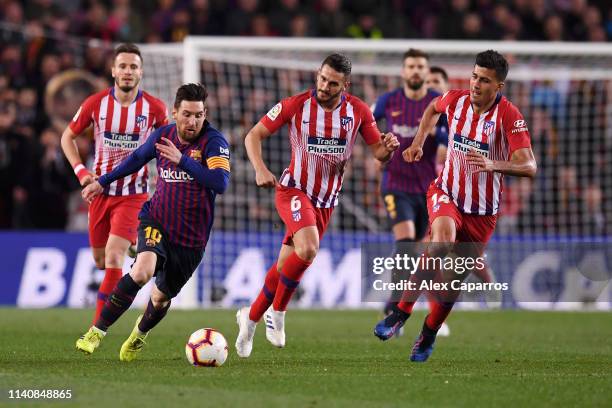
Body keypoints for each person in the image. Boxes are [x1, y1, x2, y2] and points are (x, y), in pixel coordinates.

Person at [374, 50, 537, 362]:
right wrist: (419, 141)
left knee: (451, 285)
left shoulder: (509, 116)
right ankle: (399, 312)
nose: (476, 84)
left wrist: (493, 164)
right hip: (446, 192)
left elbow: (529, 166)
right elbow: (431, 110)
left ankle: (429, 333)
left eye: (484, 80)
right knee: (440, 241)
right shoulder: (456, 99)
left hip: (483, 213)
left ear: (498, 86)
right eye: (475, 76)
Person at [235, 53, 400, 358]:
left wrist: (387, 149)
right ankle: (278, 314)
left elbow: (377, 151)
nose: (324, 86)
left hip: (325, 202)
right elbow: (253, 135)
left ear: (344, 85)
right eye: (322, 78)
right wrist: (260, 168)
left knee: (285, 265)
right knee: (309, 249)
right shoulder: (296, 105)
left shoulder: (358, 111)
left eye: (332, 83)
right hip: (293, 190)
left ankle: (250, 317)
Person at [75, 83, 230, 361]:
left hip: (191, 240)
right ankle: (96, 331)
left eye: (198, 115)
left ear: (205, 114)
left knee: (159, 299)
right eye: (186, 114)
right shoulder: (163, 135)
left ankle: (139, 334)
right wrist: (102, 182)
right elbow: (135, 159)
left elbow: (220, 183)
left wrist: (182, 160)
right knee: (142, 270)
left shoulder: (214, 142)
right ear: (175, 112)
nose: (192, 121)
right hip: (156, 219)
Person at [61, 43, 168, 324]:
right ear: (113, 71)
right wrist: (82, 172)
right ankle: (135, 244)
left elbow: (170, 142)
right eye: (123, 66)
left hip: (134, 194)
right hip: (99, 192)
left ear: (141, 72)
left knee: (112, 256)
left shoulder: (155, 108)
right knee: (99, 260)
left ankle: (97, 330)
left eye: (133, 66)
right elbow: (66, 138)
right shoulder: (96, 104)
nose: (128, 71)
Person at [371, 50, 450, 337]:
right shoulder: (388, 100)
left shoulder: (436, 105)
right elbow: (365, 123)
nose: (415, 71)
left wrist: (439, 137)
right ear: (403, 72)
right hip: (395, 184)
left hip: (427, 189)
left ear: (425, 72)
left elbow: (446, 140)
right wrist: (379, 145)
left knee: (422, 252)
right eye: (410, 66)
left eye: (420, 66)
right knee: (405, 244)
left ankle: (414, 308)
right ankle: (395, 311)